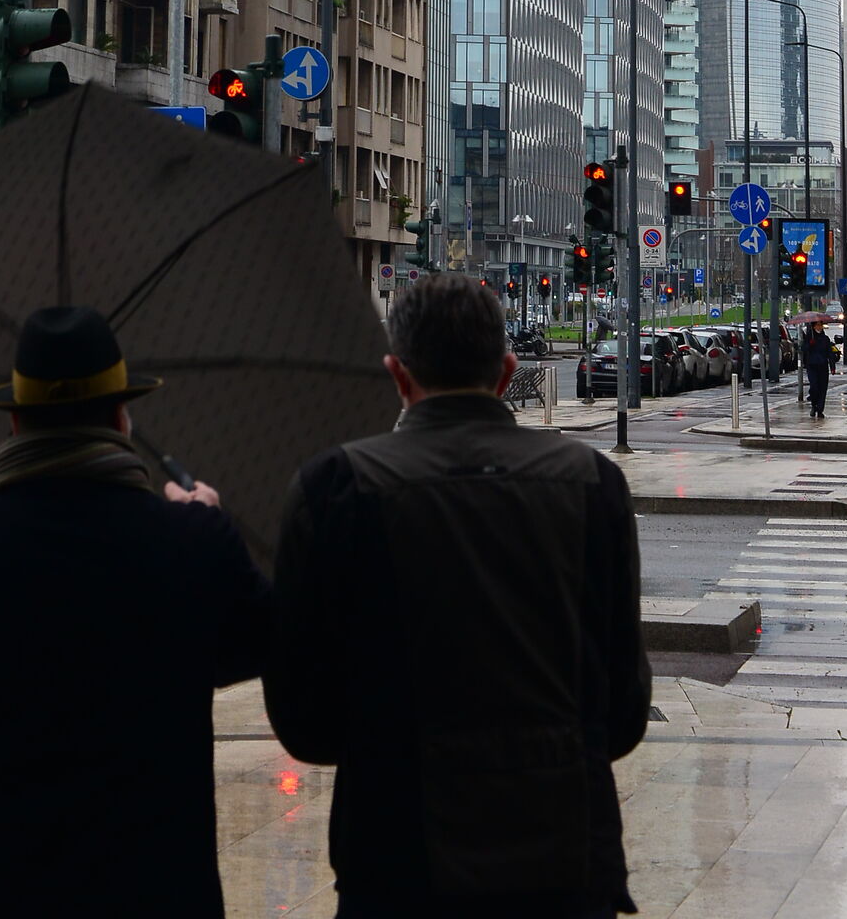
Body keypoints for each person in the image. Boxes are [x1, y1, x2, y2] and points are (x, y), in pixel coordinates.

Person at [0, 305, 268, 919]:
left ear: (13, 423)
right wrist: (209, 528)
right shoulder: (192, 546)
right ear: (121, 417)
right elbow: (248, 648)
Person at [266, 272, 651, 919]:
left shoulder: (336, 488)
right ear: (504, 372)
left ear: (397, 374)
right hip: (562, 856)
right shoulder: (592, 485)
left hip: (395, 857)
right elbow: (621, 712)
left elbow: (305, 721)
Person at [802, 317, 839, 420]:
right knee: (814, 387)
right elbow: (803, 349)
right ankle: (814, 405)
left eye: (820, 325)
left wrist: (832, 366)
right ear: (813, 326)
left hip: (823, 367)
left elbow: (830, 353)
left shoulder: (825, 339)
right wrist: (810, 344)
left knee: (823, 389)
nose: (819, 327)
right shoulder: (809, 338)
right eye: (817, 325)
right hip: (812, 366)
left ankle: (820, 409)